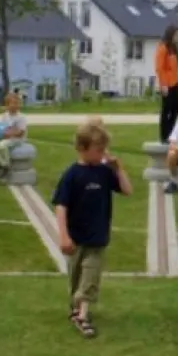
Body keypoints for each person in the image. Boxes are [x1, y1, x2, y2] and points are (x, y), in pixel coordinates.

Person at [51, 120, 133, 338]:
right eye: (98, 150)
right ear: (82, 149)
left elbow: (127, 190)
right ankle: (76, 308)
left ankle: (83, 316)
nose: (103, 154)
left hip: (97, 237)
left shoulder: (104, 172)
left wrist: (119, 169)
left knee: (90, 276)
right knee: (76, 278)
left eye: (104, 149)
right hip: (76, 237)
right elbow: (61, 206)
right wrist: (64, 235)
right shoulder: (72, 175)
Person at [155, 24, 178, 142]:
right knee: (166, 110)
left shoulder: (173, 49)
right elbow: (159, 68)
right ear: (171, 35)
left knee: (176, 109)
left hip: (175, 82)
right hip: (167, 84)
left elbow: (175, 67)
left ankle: (171, 132)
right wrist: (163, 84)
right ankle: (164, 135)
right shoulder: (163, 48)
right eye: (176, 35)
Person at [0, 92, 28, 179]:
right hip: (8, 136)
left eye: (17, 103)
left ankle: (6, 166)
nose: (15, 105)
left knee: (1, 145)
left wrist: (7, 134)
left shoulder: (21, 117)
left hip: (18, 139)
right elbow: (3, 127)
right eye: (12, 103)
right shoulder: (5, 115)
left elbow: (20, 133)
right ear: (7, 105)